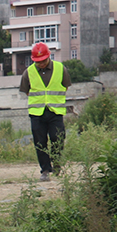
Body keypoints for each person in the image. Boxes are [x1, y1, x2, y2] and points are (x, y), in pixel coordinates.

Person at [20, 42, 70, 182]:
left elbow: (65, 86)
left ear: (49, 57)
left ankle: (57, 164)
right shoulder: (28, 72)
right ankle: (45, 170)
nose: (41, 64)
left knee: (57, 138)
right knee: (40, 142)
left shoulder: (61, 69)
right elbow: (26, 91)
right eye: (38, 61)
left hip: (55, 111)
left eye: (43, 61)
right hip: (37, 113)